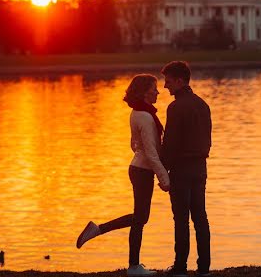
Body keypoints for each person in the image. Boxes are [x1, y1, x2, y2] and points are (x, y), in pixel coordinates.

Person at [76, 74, 171, 276]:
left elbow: (134, 145)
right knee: (140, 219)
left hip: (139, 168)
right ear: (144, 92)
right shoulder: (145, 116)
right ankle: (133, 266)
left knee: (140, 217)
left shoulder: (138, 113)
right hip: (142, 171)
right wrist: (165, 178)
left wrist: (145, 158)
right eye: (154, 88)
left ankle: (100, 232)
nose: (158, 92)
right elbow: (152, 153)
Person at [160, 60, 212, 277]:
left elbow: (170, 144)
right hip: (200, 167)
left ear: (180, 81)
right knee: (200, 216)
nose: (165, 86)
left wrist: (163, 169)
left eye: (168, 81)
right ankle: (204, 267)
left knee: (181, 219)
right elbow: (208, 140)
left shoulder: (175, 108)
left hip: (181, 169)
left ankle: (180, 266)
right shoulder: (203, 104)